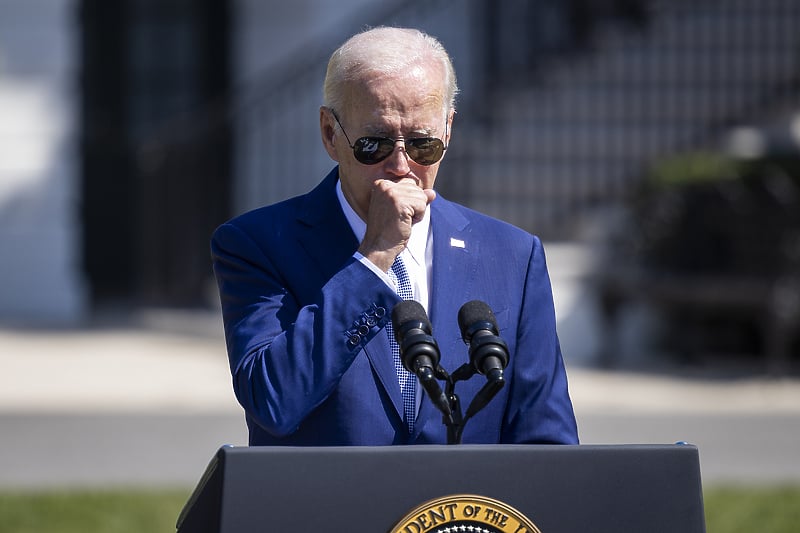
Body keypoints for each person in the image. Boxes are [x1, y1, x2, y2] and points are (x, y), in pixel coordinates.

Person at [211, 26, 578, 446]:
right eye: (374, 144)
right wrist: (375, 257)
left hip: (463, 510)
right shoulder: (257, 244)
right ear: (331, 133)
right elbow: (274, 401)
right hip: (329, 509)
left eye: (423, 144)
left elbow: (547, 442)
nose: (401, 166)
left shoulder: (513, 255)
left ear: (448, 131)